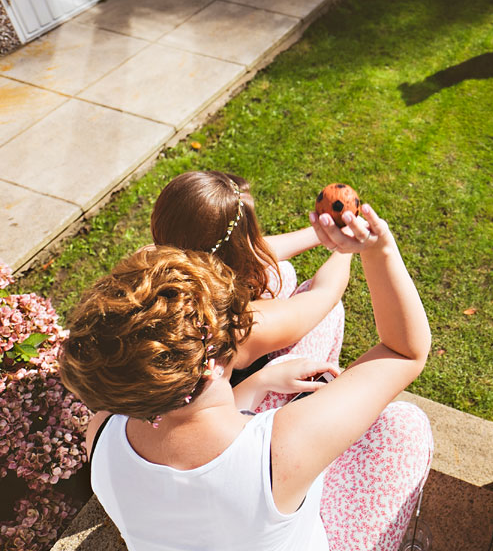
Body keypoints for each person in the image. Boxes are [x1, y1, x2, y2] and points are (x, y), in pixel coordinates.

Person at [60, 205, 433, 551]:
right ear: (212, 363)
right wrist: (378, 249)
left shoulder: (103, 432)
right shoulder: (283, 448)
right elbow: (403, 352)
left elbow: (193, 448)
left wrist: (258, 384)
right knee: (403, 426)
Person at [151, 170, 349, 411]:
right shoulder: (235, 325)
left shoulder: (152, 260)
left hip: (170, 401)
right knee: (327, 315)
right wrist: (347, 244)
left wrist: (321, 232)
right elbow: (324, 294)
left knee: (280, 272)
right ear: (237, 247)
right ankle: (319, 402)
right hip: (224, 422)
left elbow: (254, 253)